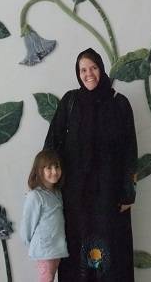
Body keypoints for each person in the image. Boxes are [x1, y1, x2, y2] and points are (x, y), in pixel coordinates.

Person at [44, 48, 138, 281]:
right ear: (78, 73)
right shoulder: (70, 102)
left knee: (112, 255)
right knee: (76, 257)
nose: (89, 74)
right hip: (75, 197)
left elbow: (130, 150)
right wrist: (48, 185)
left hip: (110, 196)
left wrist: (128, 194)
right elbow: (51, 145)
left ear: (101, 69)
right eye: (83, 70)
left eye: (93, 68)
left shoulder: (120, 104)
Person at [20, 149, 69, 282]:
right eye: (49, 168)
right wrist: (35, 245)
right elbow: (27, 225)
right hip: (45, 251)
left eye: (57, 166)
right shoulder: (35, 196)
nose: (54, 171)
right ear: (39, 170)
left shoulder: (57, 193)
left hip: (57, 249)